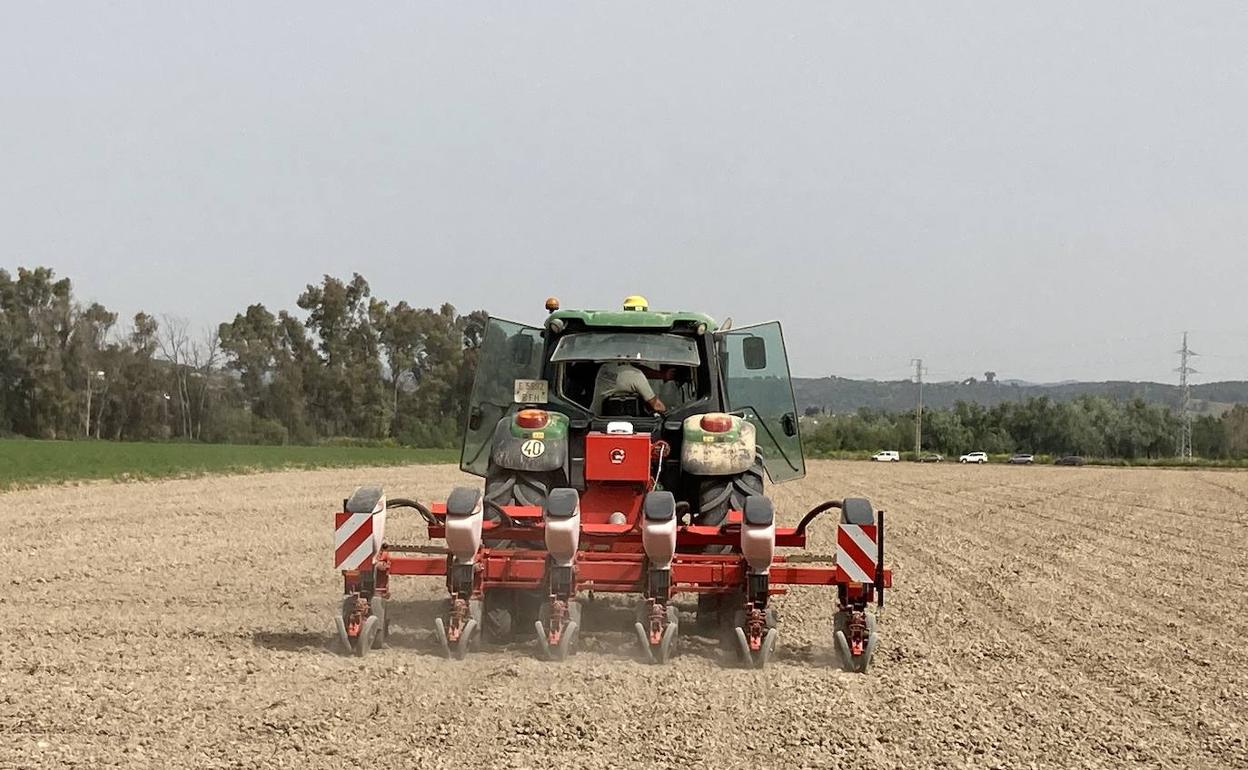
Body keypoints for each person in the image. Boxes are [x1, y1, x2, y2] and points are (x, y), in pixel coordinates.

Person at [591, 361, 668, 414]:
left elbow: (634, 370)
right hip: (632, 427)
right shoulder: (635, 375)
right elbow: (657, 406)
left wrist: (663, 375)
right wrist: (668, 414)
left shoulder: (604, 368)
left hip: (596, 420)